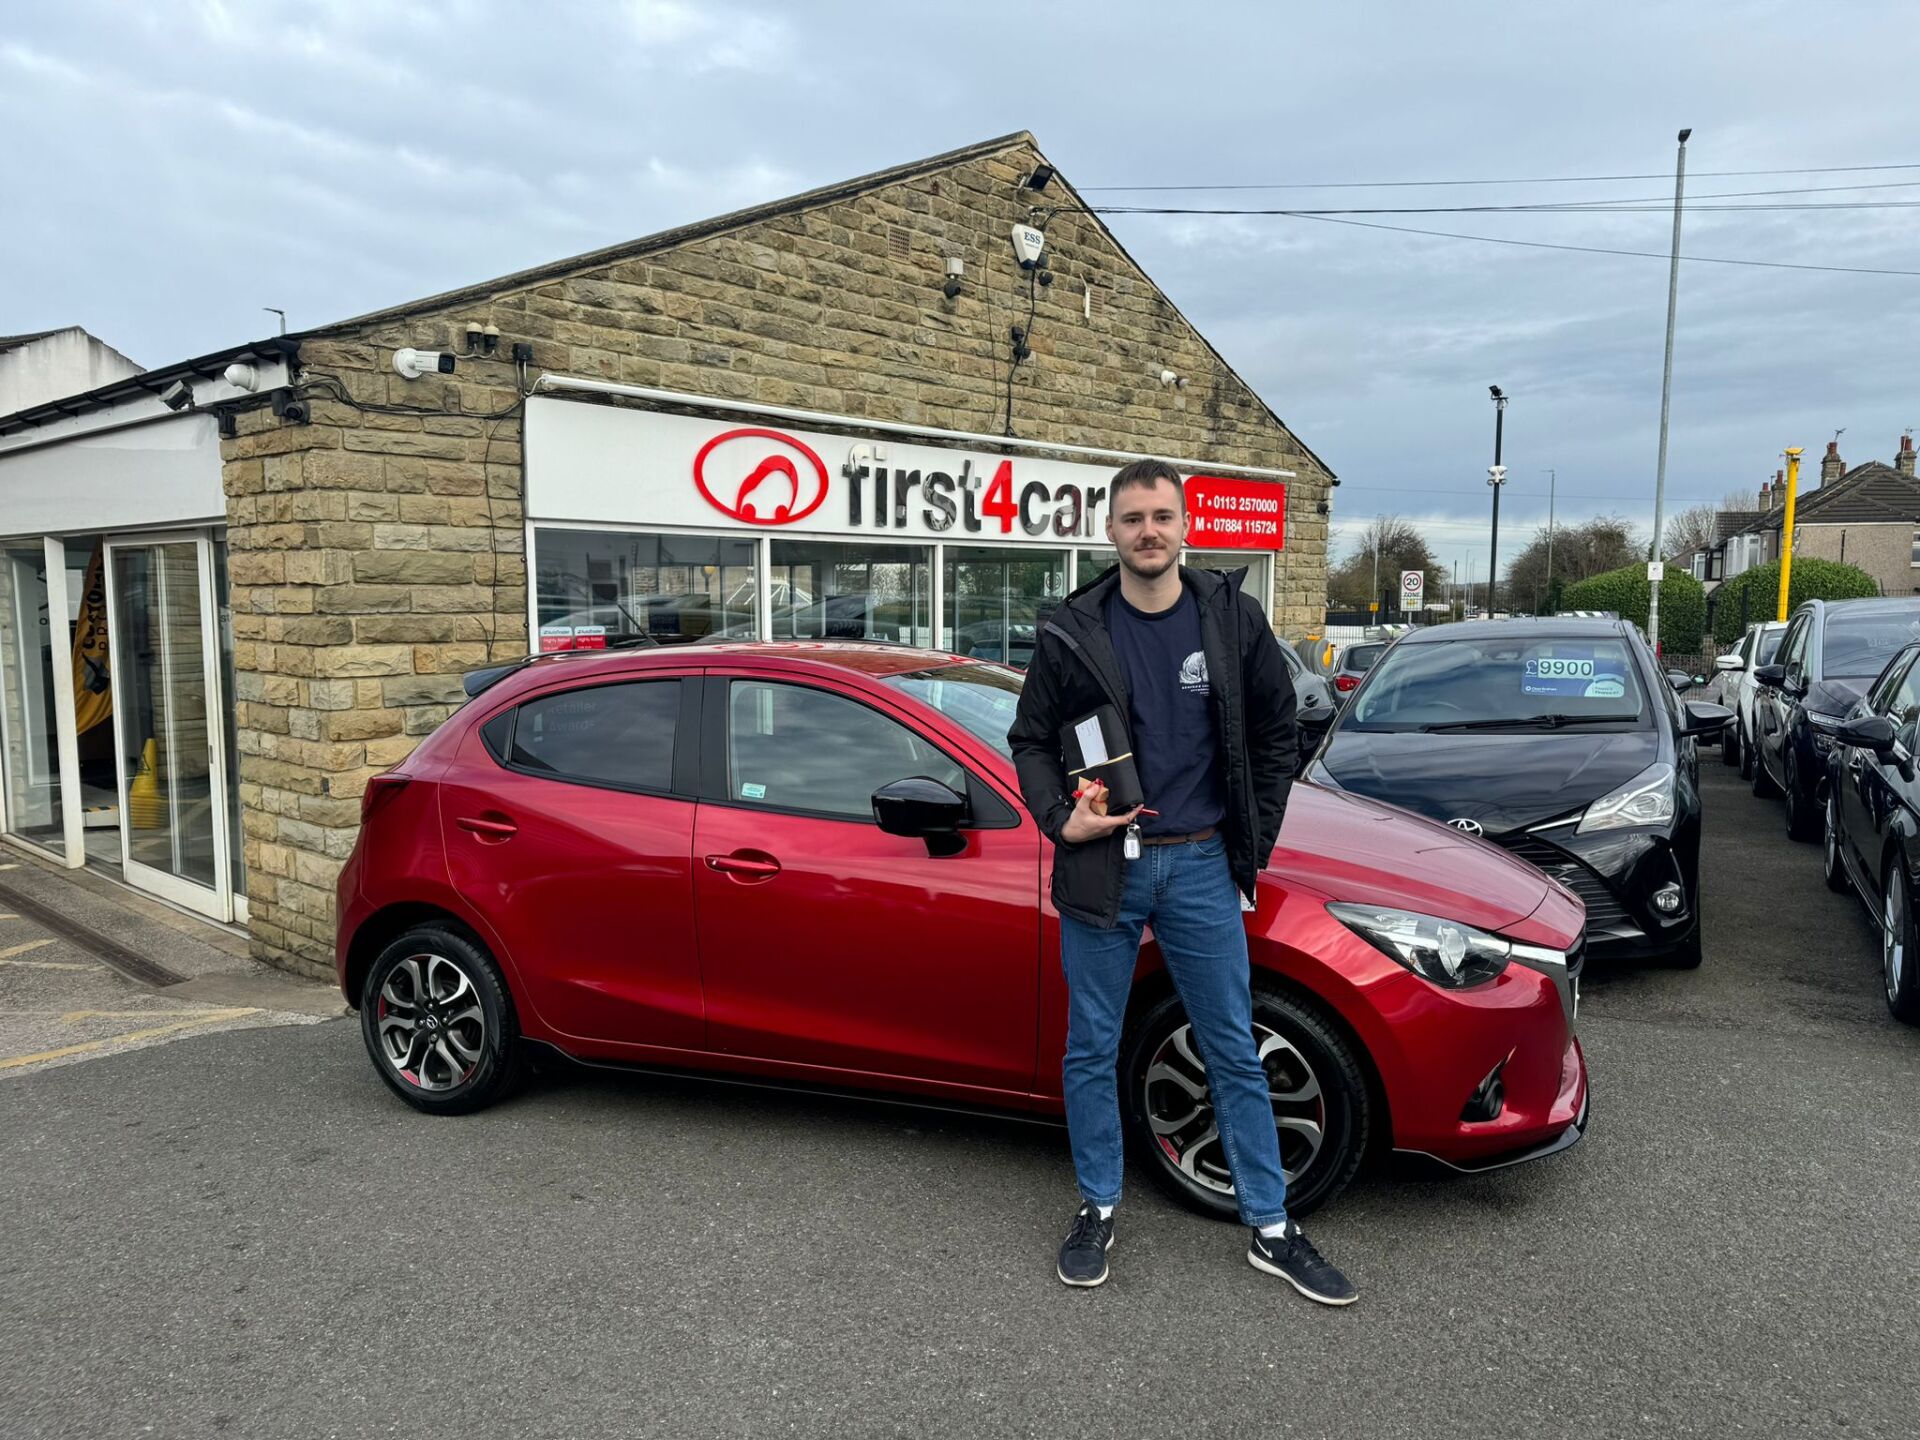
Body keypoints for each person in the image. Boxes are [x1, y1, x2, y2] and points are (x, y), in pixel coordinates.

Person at [1008, 458, 1356, 1305]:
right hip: (1103, 866)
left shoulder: (1232, 619)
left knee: (1231, 1046)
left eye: (1161, 515)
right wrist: (1061, 818)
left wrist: (1254, 840)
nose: (1148, 531)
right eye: (1132, 518)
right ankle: (1097, 1206)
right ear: (1112, 531)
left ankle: (1271, 1225)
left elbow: (1283, 731)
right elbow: (1029, 740)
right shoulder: (1073, 628)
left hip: (1201, 864)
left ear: (1185, 523)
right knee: (1090, 1048)